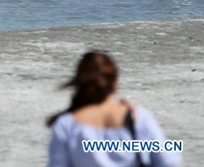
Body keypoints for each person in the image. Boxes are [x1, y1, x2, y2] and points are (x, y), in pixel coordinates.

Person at [47, 51, 182, 167]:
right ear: (115, 84)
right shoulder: (138, 116)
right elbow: (168, 161)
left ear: (79, 83)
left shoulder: (66, 124)